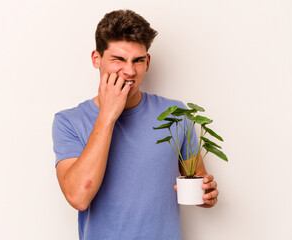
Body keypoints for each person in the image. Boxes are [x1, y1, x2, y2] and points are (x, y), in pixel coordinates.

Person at [52, 9, 219, 240]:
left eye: (138, 60)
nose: (130, 71)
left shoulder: (177, 115)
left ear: (147, 62)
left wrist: (207, 196)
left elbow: (198, 186)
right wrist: (108, 115)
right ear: (96, 59)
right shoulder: (69, 121)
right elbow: (79, 197)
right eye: (119, 59)